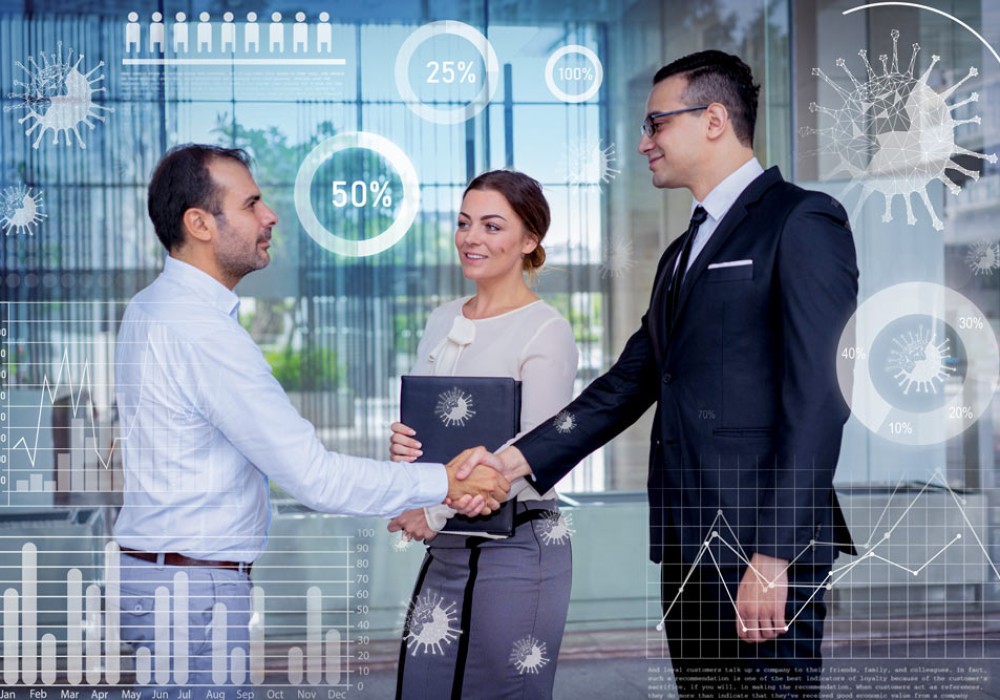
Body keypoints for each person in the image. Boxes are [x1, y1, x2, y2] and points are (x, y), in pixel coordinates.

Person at [463, 51, 859, 698]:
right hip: (687, 547)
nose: (643, 143)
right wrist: (510, 464)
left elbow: (819, 395)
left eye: (655, 124)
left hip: (759, 547)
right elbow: (628, 383)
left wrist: (774, 554)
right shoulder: (683, 251)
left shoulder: (801, 220)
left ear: (713, 118)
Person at [114, 144, 509, 699]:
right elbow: (314, 477)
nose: (270, 215)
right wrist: (445, 480)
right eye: (251, 204)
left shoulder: (150, 307)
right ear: (199, 223)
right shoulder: (201, 331)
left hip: (162, 577)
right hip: (192, 591)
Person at [387, 170, 579, 699]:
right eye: (464, 223)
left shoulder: (547, 329)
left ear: (529, 239)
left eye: (493, 226)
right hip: (448, 544)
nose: (472, 238)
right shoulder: (441, 318)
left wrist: (429, 509)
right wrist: (406, 451)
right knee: (422, 687)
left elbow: (533, 455)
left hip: (517, 543)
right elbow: (430, 426)